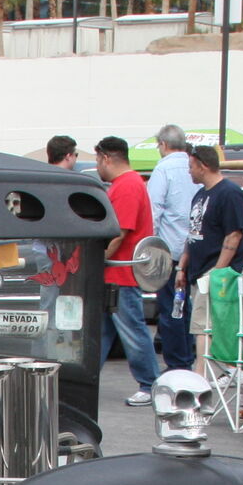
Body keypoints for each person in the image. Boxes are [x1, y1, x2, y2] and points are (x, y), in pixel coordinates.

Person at [94, 136, 161, 406]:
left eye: (98, 160)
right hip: (115, 273)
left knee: (131, 329)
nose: (98, 166)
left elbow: (119, 233)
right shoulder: (129, 183)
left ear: (106, 158)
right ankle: (85, 379)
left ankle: (150, 384)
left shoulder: (127, 185)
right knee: (102, 331)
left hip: (121, 274)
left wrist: (97, 259)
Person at [147, 123, 197, 371]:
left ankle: (178, 362)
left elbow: (154, 211)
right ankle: (188, 356)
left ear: (163, 145)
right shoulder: (194, 166)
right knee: (188, 307)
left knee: (171, 308)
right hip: (194, 250)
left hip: (170, 251)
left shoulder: (163, 169)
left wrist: (150, 247)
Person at [177, 144, 243, 302]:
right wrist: (181, 268)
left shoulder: (229, 193)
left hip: (214, 275)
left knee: (201, 326)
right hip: (197, 275)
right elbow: (193, 233)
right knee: (197, 325)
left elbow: (234, 235)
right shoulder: (199, 194)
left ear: (203, 167)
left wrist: (216, 274)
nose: (189, 171)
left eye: (191, 167)